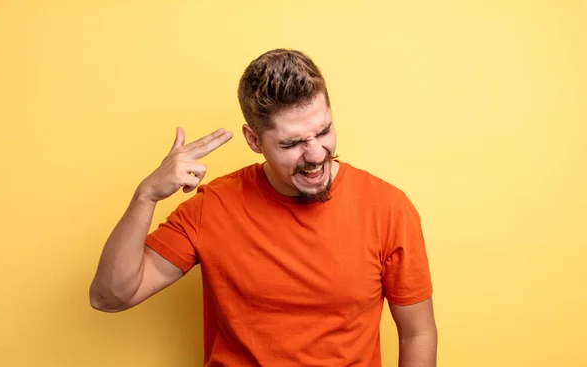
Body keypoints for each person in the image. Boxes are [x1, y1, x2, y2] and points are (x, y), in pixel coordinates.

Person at [89, 48, 438, 366]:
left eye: (324, 131)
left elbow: (417, 333)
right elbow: (110, 296)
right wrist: (145, 196)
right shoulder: (213, 207)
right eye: (292, 143)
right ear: (254, 140)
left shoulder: (388, 208)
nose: (316, 154)